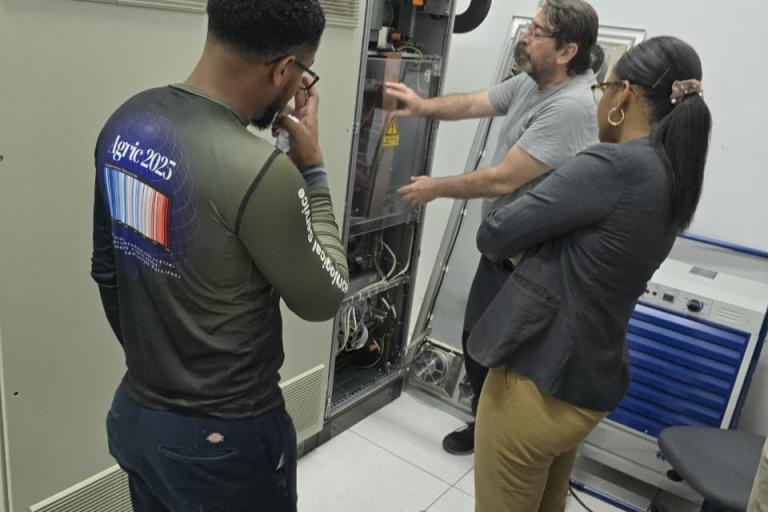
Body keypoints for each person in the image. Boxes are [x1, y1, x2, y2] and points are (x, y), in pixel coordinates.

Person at [90, 1, 348, 511]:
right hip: (224, 442)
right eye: (303, 75)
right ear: (283, 69)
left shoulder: (127, 122)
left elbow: (106, 271)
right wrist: (313, 172)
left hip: (138, 416)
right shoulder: (262, 170)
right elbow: (327, 296)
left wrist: (161, 368)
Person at [467, 35, 711, 511]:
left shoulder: (614, 164)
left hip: (536, 384)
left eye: (604, 90)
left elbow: (494, 233)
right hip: (587, 384)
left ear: (624, 95)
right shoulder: (673, 175)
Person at [386, 0, 599, 455]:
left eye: (537, 32)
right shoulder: (531, 82)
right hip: (505, 246)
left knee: (507, 355)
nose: (525, 36)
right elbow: (477, 102)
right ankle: (483, 424)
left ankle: (503, 439)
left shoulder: (572, 107)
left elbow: (503, 177)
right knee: (477, 339)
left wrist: (435, 187)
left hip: (536, 260)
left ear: (566, 51)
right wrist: (422, 105)